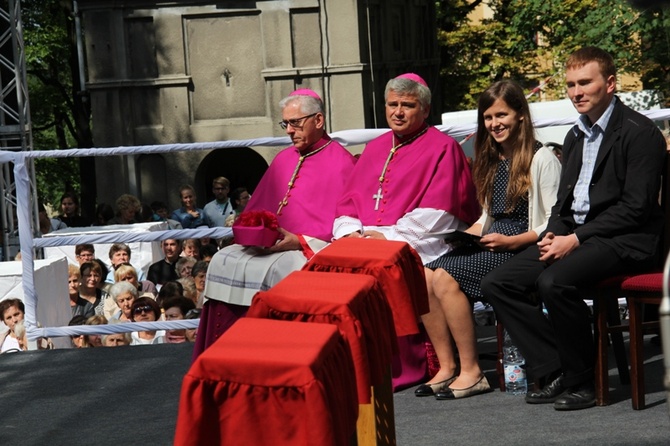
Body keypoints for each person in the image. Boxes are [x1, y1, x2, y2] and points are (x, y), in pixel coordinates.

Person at [481, 47, 666, 411]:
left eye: (585, 82)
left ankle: (582, 381)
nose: (576, 92)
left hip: (625, 240)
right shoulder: (576, 135)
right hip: (577, 236)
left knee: (555, 281)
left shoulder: (639, 132)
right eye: (570, 84)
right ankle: (556, 369)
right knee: (497, 283)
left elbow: (636, 208)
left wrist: (575, 239)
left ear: (610, 84)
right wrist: (553, 233)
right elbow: (565, 205)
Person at [417, 80, 561, 399]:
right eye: (487, 117)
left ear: (520, 114)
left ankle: (472, 371)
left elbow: (552, 223)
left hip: (525, 245)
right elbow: (487, 217)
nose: (494, 124)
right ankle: (446, 366)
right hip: (493, 240)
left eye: (501, 115)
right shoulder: (492, 160)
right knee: (423, 275)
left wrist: (512, 242)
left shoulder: (542, 158)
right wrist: (463, 235)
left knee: (445, 277)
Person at [194, 88, 357, 356]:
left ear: (318, 120)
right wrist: (251, 230)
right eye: (286, 123)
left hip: (307, 250)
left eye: (295, 122)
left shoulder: (342, 163)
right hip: (268, 245)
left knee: (286, 270)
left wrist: (300, 241)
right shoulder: (283, 159)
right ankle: (225, 354)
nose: (289, 131)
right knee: (223, 259)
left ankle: (276, 354)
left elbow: (346, 226)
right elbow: (258, 208)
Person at [332, 73, 479, 264]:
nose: (398, 112)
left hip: (415, 241)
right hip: (362, 238)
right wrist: (350, 232)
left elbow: (440, 211)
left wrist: (389, 238)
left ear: (425, 110)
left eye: (408, 105)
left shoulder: (443, 147)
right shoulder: (374, 147)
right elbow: (348, 203)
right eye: (393, 105)